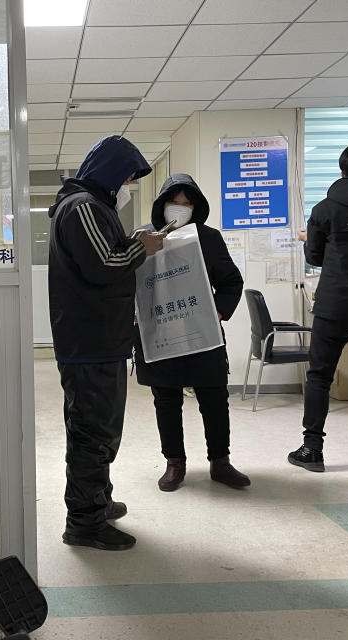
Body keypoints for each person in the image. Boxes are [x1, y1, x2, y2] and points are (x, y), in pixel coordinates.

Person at [48, 135, 163, 551]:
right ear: (112, 172)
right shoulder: (82, 207)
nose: (128, 184)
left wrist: (131, 243)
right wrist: (141, 247)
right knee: (92, 433)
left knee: (98, 429)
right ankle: (84, 522)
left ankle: (95, 500)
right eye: (128, 176)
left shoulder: (92, 207)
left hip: (99, 340)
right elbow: (103, 265)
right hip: (90, 342)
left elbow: (104, 256)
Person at [133, 174, 248, 492]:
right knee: (166, 400)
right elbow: (128, 281)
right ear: (162, 204)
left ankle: (220, 462)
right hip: (160, 331)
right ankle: (174, 463)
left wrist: (219, 311)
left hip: (202, 332)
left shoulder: (208, 238)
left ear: (197, 207)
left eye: (187, 203)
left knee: (214, 398)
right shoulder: (144, 237)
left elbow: (231, 281)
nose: (180, 209)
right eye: (174, 202)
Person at [288, 142, 348, 472]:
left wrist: (311, 240)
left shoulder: (324, 209)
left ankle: (312, 449)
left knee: (320, 376)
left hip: (334, 303)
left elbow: (316, 257)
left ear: (342, 171)